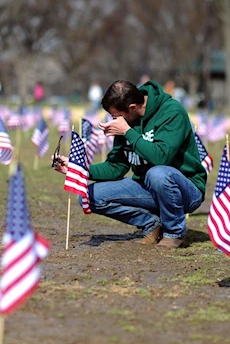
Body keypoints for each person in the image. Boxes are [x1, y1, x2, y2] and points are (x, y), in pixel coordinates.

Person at [52, 80, 207, 248]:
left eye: (116, 116)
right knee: (87, 197)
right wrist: (78, 169)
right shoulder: (126, 122)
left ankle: (174, 233)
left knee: (158, 174)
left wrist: (128, 132)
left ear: (132, 107)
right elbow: (116, 166)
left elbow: (161, 157)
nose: (114, 120)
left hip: (187, 189)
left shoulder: (172, 112)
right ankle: (151, 225)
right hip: (147, 185)